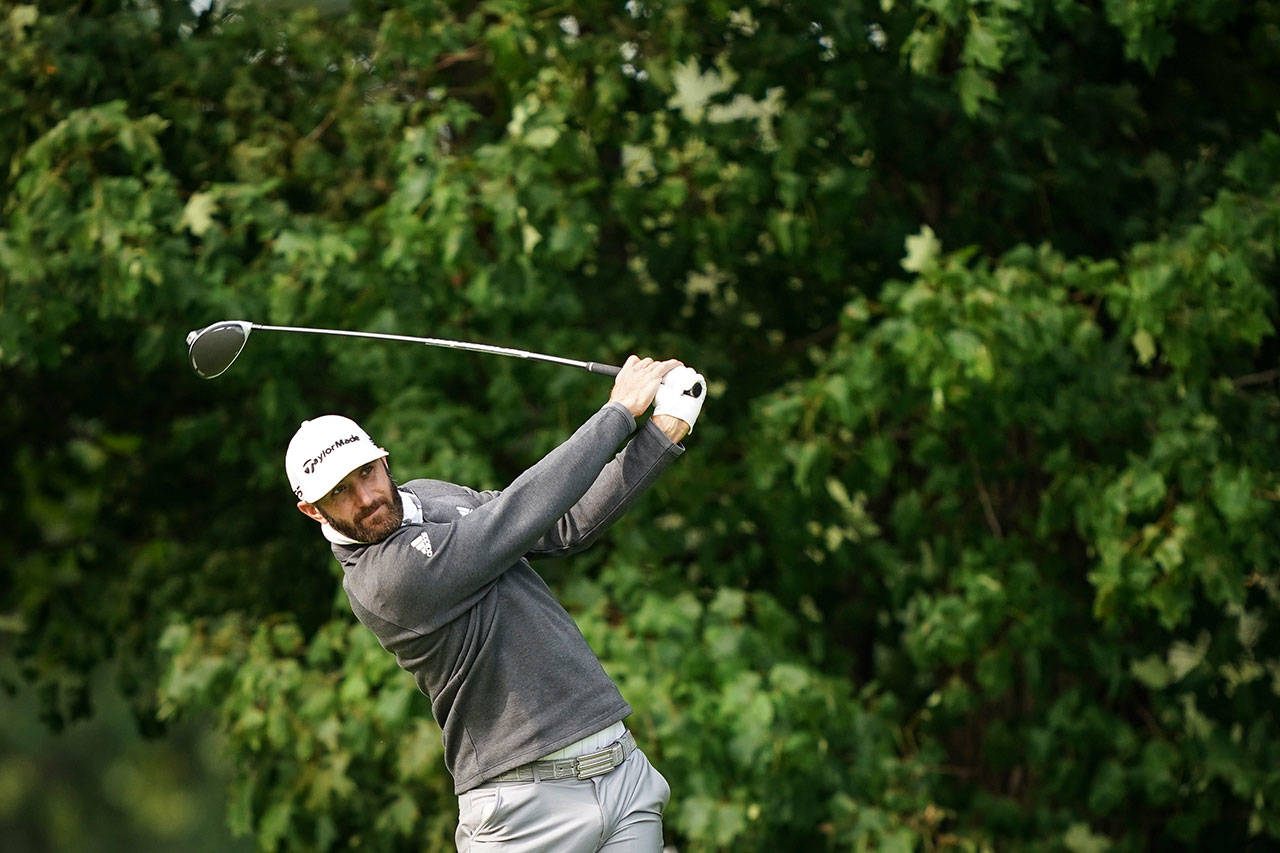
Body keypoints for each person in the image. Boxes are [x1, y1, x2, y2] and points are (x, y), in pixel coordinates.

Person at [285, 355, 707, 852]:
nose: (365, 498)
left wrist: (663, 432)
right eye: (339, 493)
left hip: (619, 770)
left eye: (365, 474)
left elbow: (560, 523)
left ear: (383, 459)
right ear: (312, 510)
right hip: (523, 810)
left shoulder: (430, 497)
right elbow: (513, 517)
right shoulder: (382, 581)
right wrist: (616, 413)